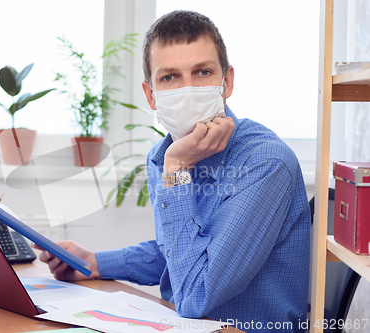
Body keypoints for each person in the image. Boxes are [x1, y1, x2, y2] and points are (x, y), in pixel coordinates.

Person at [37, 10, 310, 333]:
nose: (188, 89)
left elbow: (196, 293)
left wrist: (177, 169)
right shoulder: (164, 156)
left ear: (227, 81)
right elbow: (180, 253)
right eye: (169, 77)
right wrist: (94, 263)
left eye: (203, 72)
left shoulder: (265, 162)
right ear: (151, 94)